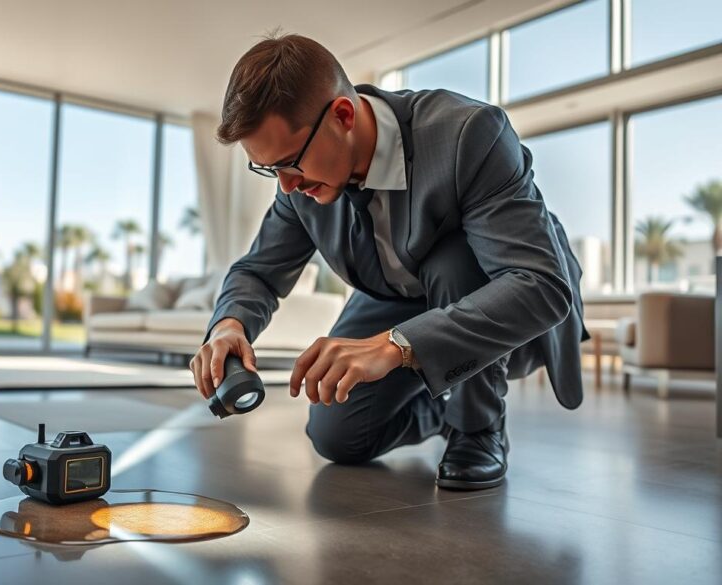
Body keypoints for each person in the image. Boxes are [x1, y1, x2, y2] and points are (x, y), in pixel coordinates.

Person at [188, 33, 589, 490]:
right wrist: (229, 327)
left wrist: (397, 345)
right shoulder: (301, 189)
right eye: (268, 169)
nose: (285, 186)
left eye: (290, 163)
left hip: (502, 298)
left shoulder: (470, 134)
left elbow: (538, 284)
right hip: (400, 297)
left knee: (450, 260)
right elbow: (257, 271)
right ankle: (447, 402)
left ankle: (476, 428)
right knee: (337, 436)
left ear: (342, 115)